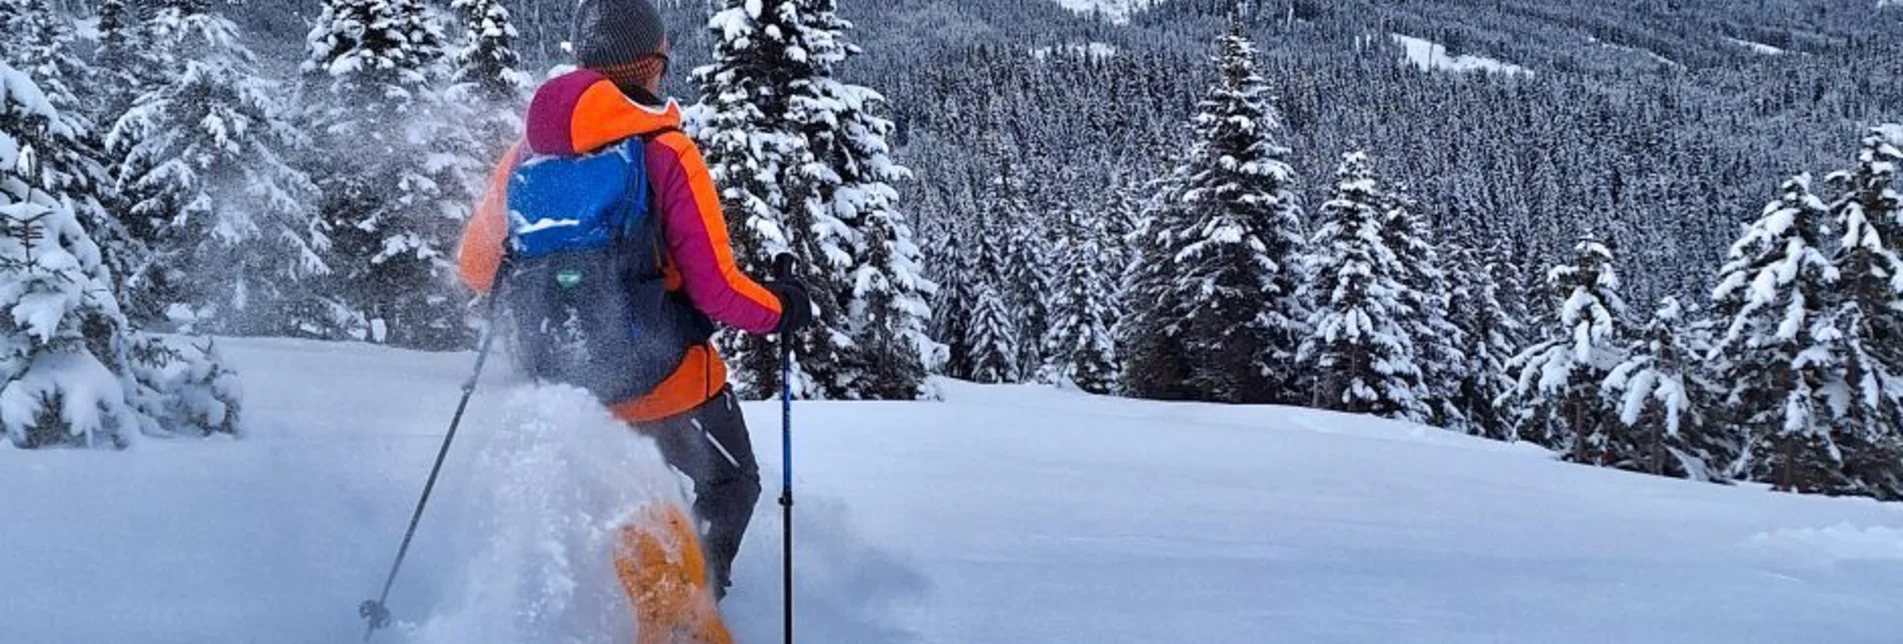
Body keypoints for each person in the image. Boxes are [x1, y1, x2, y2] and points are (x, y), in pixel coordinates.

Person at [454, 0, 811, 599]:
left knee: (633, 495)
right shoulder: (666, 151)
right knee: (732, 483)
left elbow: (474, 268)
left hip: (572, 388)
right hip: (666, 382)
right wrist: (783, 309)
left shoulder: (524, 157)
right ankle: (690, 604)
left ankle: (632, 594)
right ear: (651, 63)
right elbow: (718, 291)